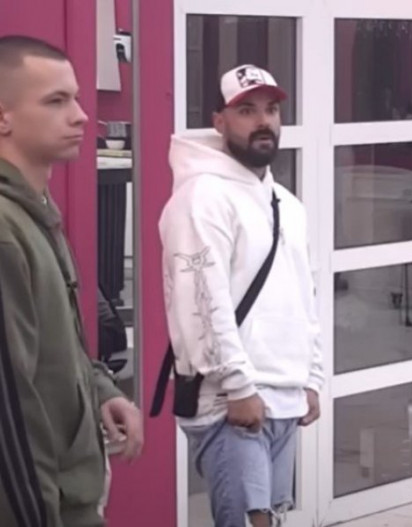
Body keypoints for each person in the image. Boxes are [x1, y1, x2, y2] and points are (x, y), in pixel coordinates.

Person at [0, 35, 143, 527]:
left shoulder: (32, 211)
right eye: (56, 101)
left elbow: (53, 345)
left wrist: (101, 391)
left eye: (76, 98)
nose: (81, 116)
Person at [159, 64, 324, 527]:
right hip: (230, 401)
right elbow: (200, 303)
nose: (263, 121)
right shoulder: (201, 198)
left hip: (285, 393)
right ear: (219, 121)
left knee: (273, 518)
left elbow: (304, 295)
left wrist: (311, 377)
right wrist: (238, 387)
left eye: (271, 110)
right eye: (247, 110)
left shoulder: (287, 205)